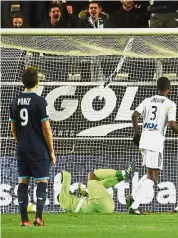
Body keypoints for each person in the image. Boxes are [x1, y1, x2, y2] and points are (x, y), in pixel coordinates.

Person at [127, 77, 178, 215]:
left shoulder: (147, 100)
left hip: (144, 139)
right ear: (169, 89)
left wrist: (137, 133)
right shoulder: (170, 104)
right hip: (155, 141)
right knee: (153, 176)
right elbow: (172, 124)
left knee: (151, 173)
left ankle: (133, 197)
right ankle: (134, 206)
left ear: (157, 88)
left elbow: (134, 115)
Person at [9, 67, 55, 226]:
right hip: (38, 148)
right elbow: (46, 129)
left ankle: (24, 220)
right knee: (42, 181)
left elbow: (13, 128)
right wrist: (51, 151)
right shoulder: (40, 101)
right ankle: (38, 217)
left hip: (22, 147)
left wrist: (20, 142)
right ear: (37, 82)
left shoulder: (15, 101)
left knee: (23, 181)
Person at [58, 163, 135, 214]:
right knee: (92, 175)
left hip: (107, 208)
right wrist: (62, 170)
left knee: (99, 184)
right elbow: (67, 177)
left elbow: (86, 203)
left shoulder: (72, 205)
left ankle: (122, 177)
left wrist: (84, 193)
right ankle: (123, 173)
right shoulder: (63, 199)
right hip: (99, 203)